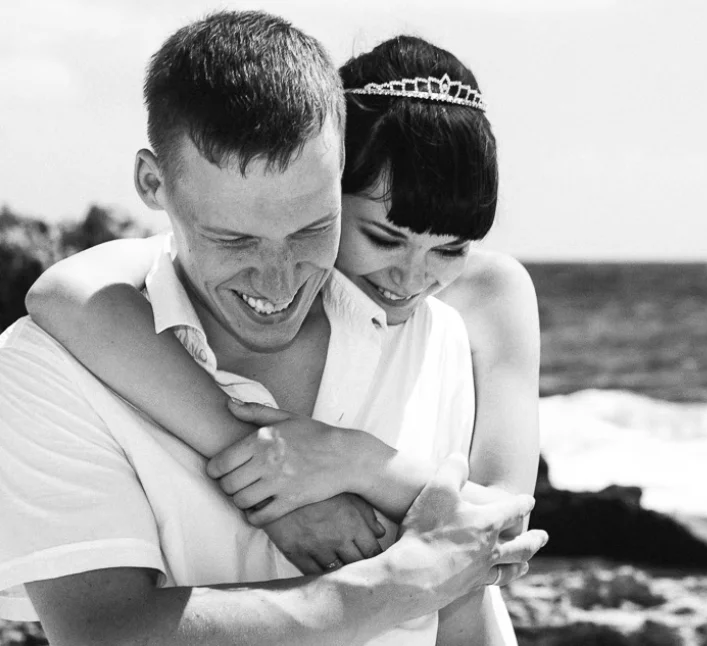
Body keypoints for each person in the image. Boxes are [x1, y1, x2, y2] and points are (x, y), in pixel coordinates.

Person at [0, 11, 545, 646]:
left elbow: (491, 549)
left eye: (313, 229)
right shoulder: (55, 361)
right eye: (234, 239)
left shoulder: (439, 331)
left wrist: (350, 460)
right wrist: (401, 580)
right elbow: (108, 635)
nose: (279, 281)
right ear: (154, 185)